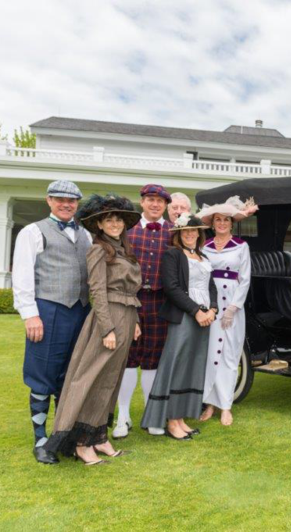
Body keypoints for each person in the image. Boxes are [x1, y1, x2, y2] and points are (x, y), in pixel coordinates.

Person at [44, 194, 142, 465]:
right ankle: (80, 443)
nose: (115, 224)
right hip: (107, 317)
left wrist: (136, 323)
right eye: (109, 219)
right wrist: (107, 329)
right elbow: (97, 291)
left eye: (118, 219)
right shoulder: (99, 249)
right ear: (99, 224)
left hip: (127, 316)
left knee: (110, 380)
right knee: (92, 378)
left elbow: (131, 291)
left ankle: (99, 437)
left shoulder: (124, 250)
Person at [11, 180, 92, 465]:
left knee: (70, 375)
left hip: (80, 311)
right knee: (43, 374)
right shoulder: (32, 232)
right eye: (60, 199)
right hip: (48, 310)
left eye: (71, 201)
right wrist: (29, 314)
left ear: (77, 204)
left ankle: (63, 434)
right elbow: (21, 275)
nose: (66, 204)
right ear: (49, 200)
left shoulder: (86, 234)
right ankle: (40, 439)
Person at [141, 213, 218, 439]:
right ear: (178, 234)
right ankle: (171, 421)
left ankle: (181, 418)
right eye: (185, 231)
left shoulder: (203, 256)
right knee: (177, 365)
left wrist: (212, 309)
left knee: (193, 365)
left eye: (193, 230)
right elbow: (172, 288)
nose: (190, 234)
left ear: (199, 233)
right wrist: (196, 311)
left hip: (205, 317)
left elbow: (210, 286)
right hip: (185, 316)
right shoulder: (172, 255)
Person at [114, 184, 173, 439]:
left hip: (161, 303)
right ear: (142, 202)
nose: (155, 204)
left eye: (160, 201)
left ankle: (152, 415)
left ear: (165, 205)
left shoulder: (174, 232)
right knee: (128, 359)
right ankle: (123, 417)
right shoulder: (126, 232)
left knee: (153, 361)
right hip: (131, 302)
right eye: (150, 199)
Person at [197, 196, 257, 426]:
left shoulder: (241, 247)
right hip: (210, 304)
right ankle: (209, 404)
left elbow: (245, 279)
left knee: (230, 355)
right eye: (218, 220)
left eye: (226, 220)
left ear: (232, 223)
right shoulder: (205, 247)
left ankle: (226, 406)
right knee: (211, 353)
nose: (222, 223)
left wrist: (233, 308)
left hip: (232, 305)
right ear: (212, 223)